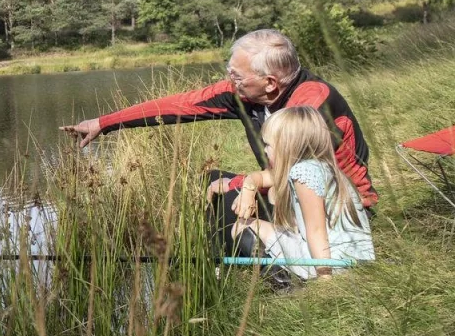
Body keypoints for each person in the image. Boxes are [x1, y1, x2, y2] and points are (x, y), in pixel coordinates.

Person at [60, 29, 377, 216]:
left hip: (344, 206)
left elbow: (294, 174)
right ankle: (251, 262)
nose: (230, 82)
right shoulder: (247, 94)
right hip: (291, 192)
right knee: (213, 180)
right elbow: (181, 105)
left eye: (237, 76)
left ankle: (282, 273)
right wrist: (105, 122)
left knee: (227, 190)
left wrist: (242, 184)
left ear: (269, 82)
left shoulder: (310, 103)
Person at [231, 106, 375, 279]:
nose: (264, 150)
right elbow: (260, 177)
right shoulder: (321, 166)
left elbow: (316, 231)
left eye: (268, 144)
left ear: (286, 146)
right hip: (357, 259)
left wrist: (325, 278)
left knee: (242, 226)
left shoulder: (303, 173)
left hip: (332, 264)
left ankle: (285, 282)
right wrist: (247, 190)